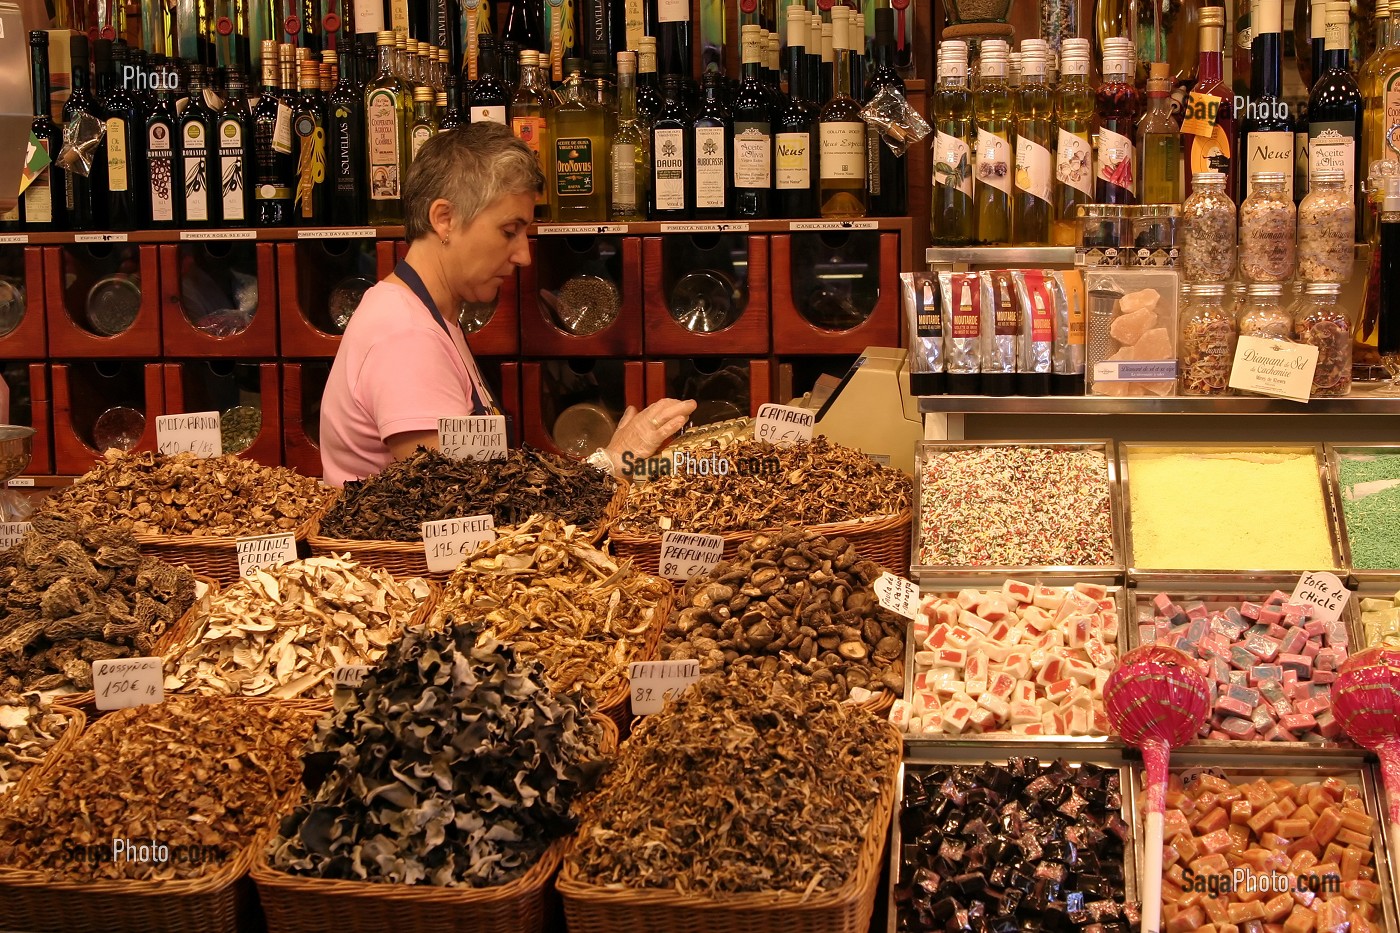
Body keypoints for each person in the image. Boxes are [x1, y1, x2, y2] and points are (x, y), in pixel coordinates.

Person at [320, 123, 694, 486]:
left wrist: (620, 463)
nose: (523, 256)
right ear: (444, 219)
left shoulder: (425, 316)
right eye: (509, 231)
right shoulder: (407, 337)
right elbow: (461, 502)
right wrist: (611, 463)